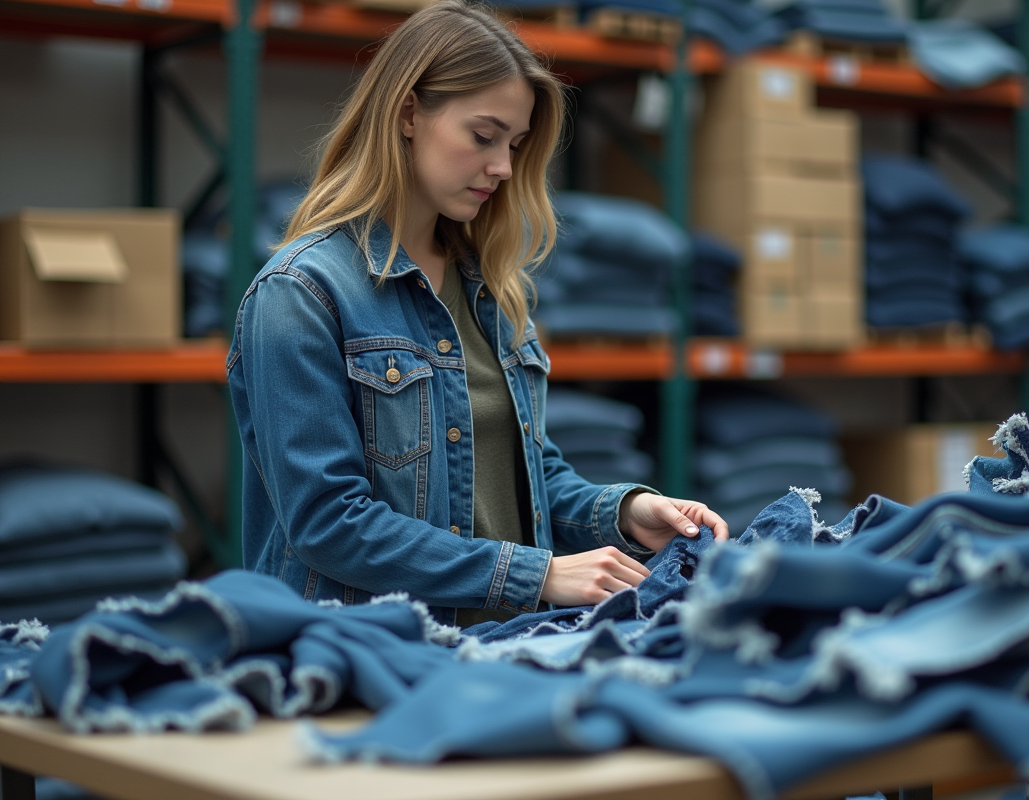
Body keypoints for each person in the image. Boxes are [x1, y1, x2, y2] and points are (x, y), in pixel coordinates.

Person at [226, 0, 727, 629]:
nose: (503, 167)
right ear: (407, 113)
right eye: (483, 136)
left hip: (505, 643)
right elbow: (327, 523)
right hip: (370, 653)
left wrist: (625, 512)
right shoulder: (300, 292)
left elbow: (525, 478)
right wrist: (539, 574)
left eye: (514, 144)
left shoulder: (493, 289)